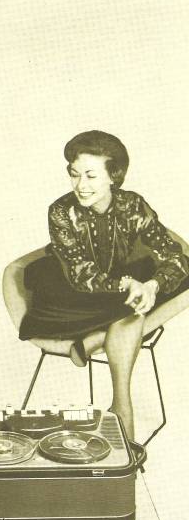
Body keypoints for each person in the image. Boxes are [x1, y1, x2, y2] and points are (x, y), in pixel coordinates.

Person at [19, 130, 189, 439]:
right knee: (130, 309)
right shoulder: (61, 211)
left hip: (117, 292)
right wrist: (130, 286)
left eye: (91, 176)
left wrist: (151, 286)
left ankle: (111, 382)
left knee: (152, 293)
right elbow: (82, 276)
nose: (80, 185)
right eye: (75, 174)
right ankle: (122, 404)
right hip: (69, 294)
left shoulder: (133, 205)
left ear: (114, 176)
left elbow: (174, 256)